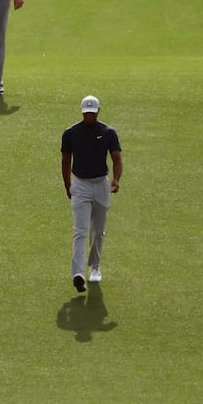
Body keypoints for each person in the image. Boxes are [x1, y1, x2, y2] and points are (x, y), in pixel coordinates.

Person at [62, 95, 123, 292]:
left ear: (98, 112)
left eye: (92, 113)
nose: (89, 116)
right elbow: (65, 160)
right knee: (80, 231)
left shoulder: (108, 132)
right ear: (82, 112)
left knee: (98, 231)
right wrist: (68, 185)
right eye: (86, 113)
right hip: (80, 185)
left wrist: (116, 180)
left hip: (101, 185)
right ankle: (78, 273)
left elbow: (116, 159)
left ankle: (95, 266)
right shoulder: (71, 133)